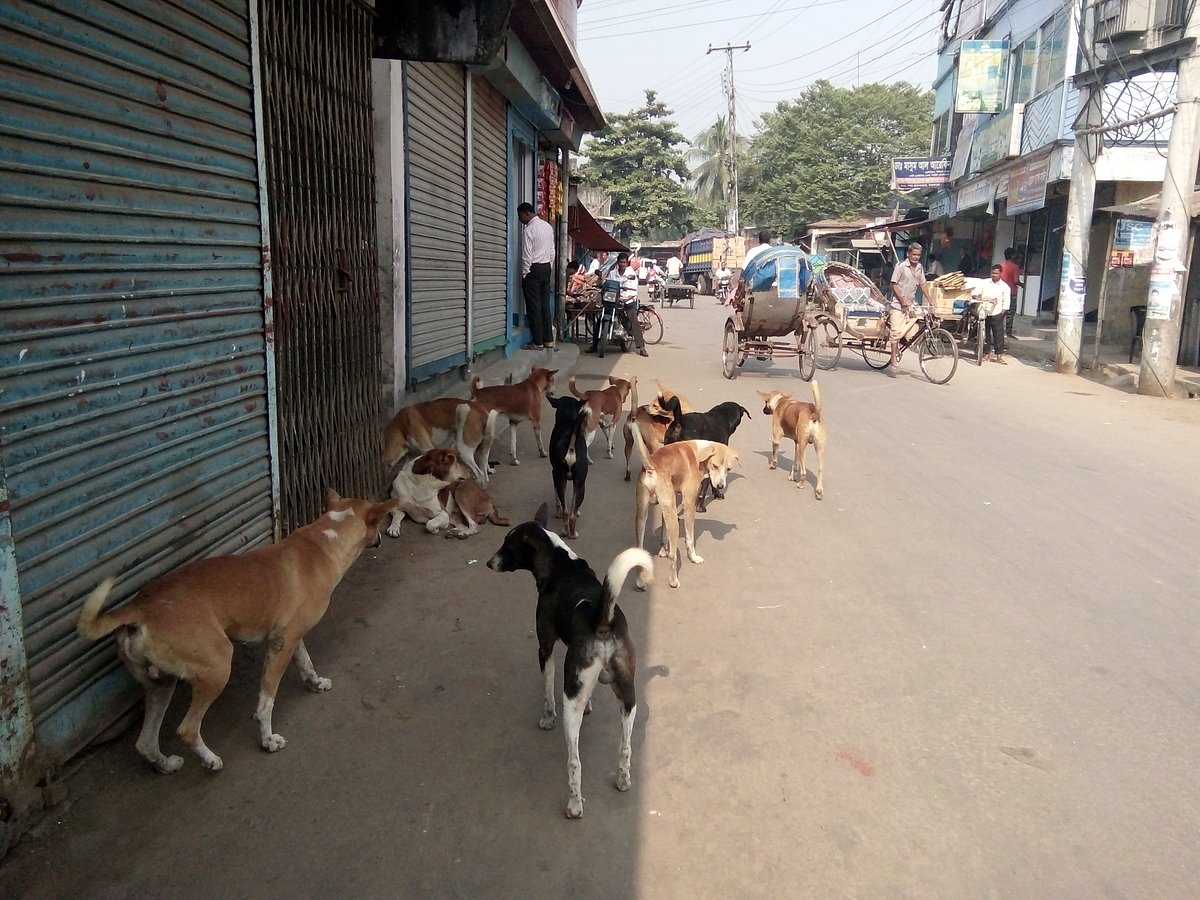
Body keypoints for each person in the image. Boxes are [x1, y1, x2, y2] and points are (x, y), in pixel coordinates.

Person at [589, 252, 648, 357]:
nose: (622, 264)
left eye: (624, 262)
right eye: (620, 262)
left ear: (627, 263)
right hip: (613, 301)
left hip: (628, 301)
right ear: (617, 263)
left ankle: (641, 347)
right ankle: (594, 346)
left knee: (633, 318)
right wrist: (601, 283)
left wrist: (625, 298)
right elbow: (607, 285)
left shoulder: (631, 275)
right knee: (600, 319)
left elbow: (633, 291)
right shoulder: (612, 273)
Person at [517, 201, 555, 350]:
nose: (520, 220)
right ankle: (548, 340)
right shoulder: (547, 227)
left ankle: (537, 342)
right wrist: (549, 266)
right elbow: (552, 250)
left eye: (521, 216)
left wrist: (525, 272)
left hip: (533, 269)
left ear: (527, 213)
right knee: (545, 305)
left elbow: (527, 254)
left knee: (534, 307)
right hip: (546, 267)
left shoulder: (529, 230)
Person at [888, 242, 926, 369]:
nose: (916, 257)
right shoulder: (901, 266)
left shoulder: (920, 267)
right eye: (914, 254)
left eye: (918, 255)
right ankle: (893, 357)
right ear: (908, 254)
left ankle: (904, 343)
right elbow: (893, 284)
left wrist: (931, 300)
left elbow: (922, 284)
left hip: (911, 304)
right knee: (895, 332)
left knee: (922, 322)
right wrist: (902, 300)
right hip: (898, 305)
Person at [971, 263, 1010, 364]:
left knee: (998, 336)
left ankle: (999, 356)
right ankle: (986, 354)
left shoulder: (1005, 287)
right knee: (985, 336)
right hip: (984, 312)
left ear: (1001, 274)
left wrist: (1001, 313)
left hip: (997, 313)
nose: (994, 275)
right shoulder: (984, 283)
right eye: (992, 273)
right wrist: (985, 299)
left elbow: (1006, 303)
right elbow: (974, 294)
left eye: (996, 273)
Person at [1000, 247, 1024, 337]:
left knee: (1001, 312)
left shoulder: (1001, 266)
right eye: (1014, 254)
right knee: (1010, 313)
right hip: (1011, 292)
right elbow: (1016, 281)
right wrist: (1022, 285)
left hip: (1002, 292)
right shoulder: (1015, 267)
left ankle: (998, 331)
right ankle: (1008, 333)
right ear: (1011, 255)